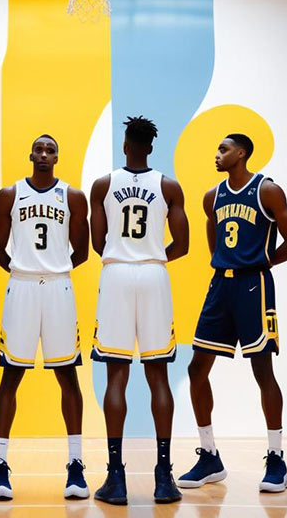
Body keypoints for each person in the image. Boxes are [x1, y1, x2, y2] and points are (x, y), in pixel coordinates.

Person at [177, 134, 287, 493]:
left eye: (224, 149)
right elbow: (213, 240)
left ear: (241, 153)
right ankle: (209, 457)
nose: (217, 154)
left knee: (262, 370)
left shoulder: (267, 191)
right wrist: (227, 263)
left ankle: (276, 459)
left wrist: (261, 262)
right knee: (196, 369)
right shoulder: (212, 197)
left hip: (254, 286)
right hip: (221, 285)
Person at [89, 116, 189, 505]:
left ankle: (116, 478)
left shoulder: (103, 185)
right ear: (150, 147)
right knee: (158, 376)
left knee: (116, 376)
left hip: (116, 274)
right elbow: (182, 244)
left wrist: (126, 255)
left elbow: (98, 242)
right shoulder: (168, 185)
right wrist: (151, 257)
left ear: (126, 145)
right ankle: (164, 477)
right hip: (153, 275)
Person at [0, 135, 90, 501]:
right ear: (30, 154)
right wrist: (25, 270)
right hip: (22, 286)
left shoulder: (72, 196)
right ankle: (0, 465)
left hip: (59, 287)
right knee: (11, 375)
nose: (44, 154)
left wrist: (53, 268)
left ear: (57, 157)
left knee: (68, 375)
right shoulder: (9, 194)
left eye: (51, 150)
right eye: (39, 149)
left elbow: (83, 251)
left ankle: (75, 465)